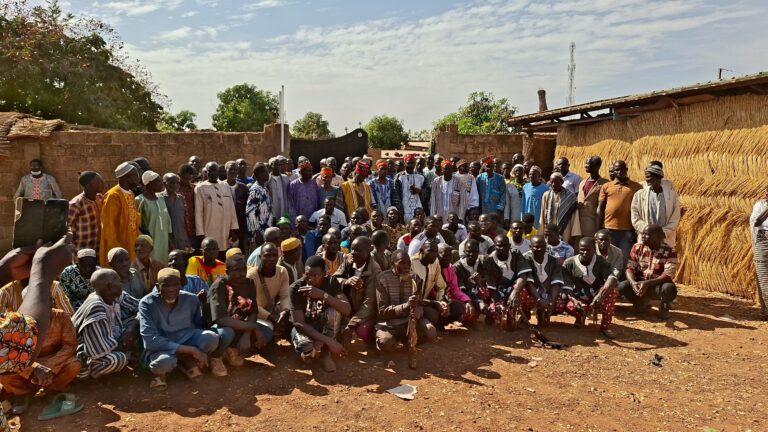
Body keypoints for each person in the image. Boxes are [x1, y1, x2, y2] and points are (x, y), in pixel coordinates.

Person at [139, 268, 222, 389]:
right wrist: (191, 350)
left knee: (211, 338)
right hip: (162, 346)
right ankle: (182, 363)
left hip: (186, 338)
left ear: (181, 285)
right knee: (164, 363)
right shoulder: (147, 303)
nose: (171, 289)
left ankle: (184, 360)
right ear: (157, 286)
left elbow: (197, 326)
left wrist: (191, 347)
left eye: (175, 285)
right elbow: (150, 341)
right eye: (166, 285)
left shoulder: (191, 299)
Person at [0, 306, 80, 412]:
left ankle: (52, 390)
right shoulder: (16, 322)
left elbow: (70, 346)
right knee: (4, 373)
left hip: (54, 361)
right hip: (26, 364)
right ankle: (22, 394)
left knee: (74, 365)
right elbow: (7, 356)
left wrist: (49, 366)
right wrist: (34, 368)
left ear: (51, 302)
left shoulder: (61, 316)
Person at [72, 269, 140, 380]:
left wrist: (133, 326)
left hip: (110, 343)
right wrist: (125, 345)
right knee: (118, 359)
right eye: (118, 281)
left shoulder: (115, 295)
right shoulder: (96, 307)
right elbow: (97, 351)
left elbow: (141, 307)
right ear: (110, 287)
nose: (121, 283)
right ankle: (93, 376)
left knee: (139, 323)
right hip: (86, 355)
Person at [207, 255, 271, 373]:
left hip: (240, 325)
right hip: (218, 329)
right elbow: (222, 320)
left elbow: (253, 312)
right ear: (227, 272)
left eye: (244, 269)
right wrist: (253, 327)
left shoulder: (249, 283)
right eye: (237, 270)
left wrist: (247, 334)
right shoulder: (219, 285)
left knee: (266, 332)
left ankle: (232, 351)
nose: (242, 273)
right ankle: (215, 358)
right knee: (227, 333)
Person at [289, 256, 351, 372]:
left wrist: (323, 295)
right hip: (306, 328)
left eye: (315, 275)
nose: (310, 279)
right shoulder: (296, 288)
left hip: (324, 326)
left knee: (335, 311)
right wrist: (329, 341)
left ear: (324, 273)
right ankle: (315, 351)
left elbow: (347, 309)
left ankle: (325, 354)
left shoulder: (331, 282)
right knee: (305, 347)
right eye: (307, 274)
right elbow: (298, 323)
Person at [375, 249, 437, 353]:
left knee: (431, 332)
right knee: (387, 343)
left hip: (409, 321)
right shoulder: (382, 279)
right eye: (402, 263)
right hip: (389, 323)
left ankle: (409, 342)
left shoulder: (415, 278)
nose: (406, 266)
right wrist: (406, 305)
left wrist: (419, 310)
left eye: (408, 263)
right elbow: (382, 312)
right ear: (392, 264)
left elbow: (420, 302)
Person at [617, 225, 678, 320]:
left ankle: (664, 306)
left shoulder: (670, 250)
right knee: (622, 286)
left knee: (668, 288)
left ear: (658, 236)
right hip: (640, 284)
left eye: (647, 234)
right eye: (643, 234)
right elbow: (630, 267)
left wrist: (648, 283)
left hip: (657, 285)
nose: (643, 236)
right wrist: (633, 283)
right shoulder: (637, 247)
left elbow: (668, 274)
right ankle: (640, 303)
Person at [562, 237, 619, 338]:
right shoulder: (569, 263)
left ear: (594, 248)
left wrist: (600, 296)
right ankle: (580, 316)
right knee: (564, 301)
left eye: (589, 249)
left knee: (612, 292)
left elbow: (612, 279)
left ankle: (605, 327)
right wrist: (575, 301)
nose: (585, 252)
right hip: (579, 296)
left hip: (596, 294)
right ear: (578, 249)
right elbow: (566, 287)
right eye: (582, 249)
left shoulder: (601, 261)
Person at [334, 237, 380, 345]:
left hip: (363, 310)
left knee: (362, 331)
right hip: (347, 305)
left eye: (358, 250)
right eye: (352, 249)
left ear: (368, 251)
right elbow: (334, 279)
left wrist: (351, 325)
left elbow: (369, 303)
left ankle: (371, 342)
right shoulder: (349, 259)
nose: (353, 253)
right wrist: (346, 281)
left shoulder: (375, 271)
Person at [598, 160, 642, 268]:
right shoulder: (606, 186)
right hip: (608, 228)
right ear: (613, 171)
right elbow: (600, 208)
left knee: (624, 257)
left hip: (627, 230)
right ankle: (608, 279)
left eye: (622, 169)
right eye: (617, 169)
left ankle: (622, 281)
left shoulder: (637, 187)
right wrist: (598, 228)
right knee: (608, 257)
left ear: (626, 170)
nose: (619, 171)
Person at [479, 235, 531, 324]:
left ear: (509, 245)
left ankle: (519, 313)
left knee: (524, 291)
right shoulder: (489, 261)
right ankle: (493, 314)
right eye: (499, 246)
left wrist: (515, 292)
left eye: (505, 245)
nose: (502, 248)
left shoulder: (516, 254)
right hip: (497, 291)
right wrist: (498, 303)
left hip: (513, 288)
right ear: (494, 246)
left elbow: (523, 275)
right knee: (494, 309)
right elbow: (492, 287)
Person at [100, 162, 141, 267]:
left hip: (131, 244)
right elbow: (107, 225)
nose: (138, 178)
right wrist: (116, 249)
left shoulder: (130, 193)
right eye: (136, 176)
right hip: (118, 248)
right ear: (127, 177)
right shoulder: (113, 196)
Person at [631, 164, 681, 249]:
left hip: (665, 238)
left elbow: (675, 218)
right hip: (646, 238)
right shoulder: (639, 195)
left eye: (649, 177)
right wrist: (648, 232)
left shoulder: (672, 196)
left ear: (658, 177)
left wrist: (663, 233)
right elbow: (635, 217)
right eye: (646, 177)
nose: (647, 179)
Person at [519, 235, 566, 326]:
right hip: (531, 293)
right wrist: (539, 300)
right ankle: (525, 314)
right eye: (536, 246)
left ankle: (543, 313)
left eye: (542, 246)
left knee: (560, 304)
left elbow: (556, 283)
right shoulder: (524, 259)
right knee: (523, 296)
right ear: (530, 247)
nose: (540, 249)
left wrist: (552, 301)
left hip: (547, 292)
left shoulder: (554, 261)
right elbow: (528, 283)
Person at [195, 162, 239, 254]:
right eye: (210, 171)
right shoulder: (200, 188)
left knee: (224, 252)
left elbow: (231, 208)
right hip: (209, 228)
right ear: (206, 172)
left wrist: (233, 228)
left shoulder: (225, 185)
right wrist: (201, 234)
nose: (212, 173)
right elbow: (198, 213)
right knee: (211, 252)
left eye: (215, 171)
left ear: (219, 172)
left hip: (225, 228)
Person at [249, 243, 291, 338]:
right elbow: (251, 305)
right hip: (255, 314)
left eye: (274, 255)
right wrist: (271, 317)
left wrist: (285, 311)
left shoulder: (282, 271)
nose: (271, 259)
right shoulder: (251, 276)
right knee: (267, 333)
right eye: (267, 256)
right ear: (260, 257)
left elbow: (285, 296)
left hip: (272, 310)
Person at [410, 239, 449, 327]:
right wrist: (434, 303)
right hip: (414, 303)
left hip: (427, 302)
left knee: (456, 307)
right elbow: (412, 296)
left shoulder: (435, 263)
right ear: (421, 251)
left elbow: (441, 286)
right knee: (433, 315)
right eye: (430, 251)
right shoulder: (411, 263)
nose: (434, 255)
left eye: (436, 251)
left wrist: (441, 302)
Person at [136, 171, 172, 263]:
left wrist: (170, 244)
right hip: (150, 244)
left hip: (164, 243)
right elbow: (138, 225)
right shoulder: (140, 200)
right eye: (159, 181)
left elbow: (167, 223)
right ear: (150, 184)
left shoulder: (161, 198)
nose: (162, 184)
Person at [69, 171, 104, 254]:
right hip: (82, 252)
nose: (102, 183)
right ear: (89, 185)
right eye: (99, 182)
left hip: (98, 249)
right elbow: (67, 225)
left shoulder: (100, 198)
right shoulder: (76, 204)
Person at [438, 244, 474, 324]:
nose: (448, 259)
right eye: (444, 255)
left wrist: (467, 301)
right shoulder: (432, 268)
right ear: (437, 255)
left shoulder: (450, 268)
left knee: (460, 306)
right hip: (433, 301)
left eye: (449, 256)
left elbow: (455, 289)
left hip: (445, 300)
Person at [453, 239, 487, 322]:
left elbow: (489, 282)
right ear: (464, 251)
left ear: (478, 251)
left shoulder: (482, 263)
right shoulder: (457, 267)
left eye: (475, 251)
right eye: (469, 251)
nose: (472, 254)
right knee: (467, 316)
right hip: (465, 297)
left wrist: (480, 281)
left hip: (479, 295)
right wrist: (479, 303)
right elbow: (460, 290)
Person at [540, 172, 581, 242]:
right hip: (549, 230)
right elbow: (543, 215)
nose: (553, 184)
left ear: (562, 182)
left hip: (565, 230)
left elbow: (575, 217)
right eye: (551, 182)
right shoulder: (546, 195)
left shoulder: (570, 196)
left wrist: (573, 235)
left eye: (556, 182)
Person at [577, 156, 608, 240]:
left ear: (597, 166)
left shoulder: (604, 184)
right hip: (579, 222)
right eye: (586, 163)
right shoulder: (582, 182)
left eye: (589, 163)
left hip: (593, 222)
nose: (586, 165)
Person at [160, 173, 190, 253]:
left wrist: (186, 239)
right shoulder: (159, 199)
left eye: (177, 183)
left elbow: (183, 221)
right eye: (172, 183)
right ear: (164, 184)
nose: (175, 185)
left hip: (180, 237)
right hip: (166, 238)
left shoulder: (180, 198)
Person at [245, 162, 273, 249]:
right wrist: (256, 232)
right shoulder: (255, 190)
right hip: (259, 233)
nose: (268, 174)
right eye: (266, 171)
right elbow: (250, 212)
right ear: (260, 174)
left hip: (266, 231)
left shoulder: (264, 188)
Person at [225, 161, 250, 252]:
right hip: (224, 228)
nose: (233, 172)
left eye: (235, 169)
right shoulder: (220, 187)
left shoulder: (243, 188)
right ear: (225, 171)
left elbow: (246, 210)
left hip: (240, 228)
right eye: (230, 169)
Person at [751, 188, 768, 319]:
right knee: (763, 277)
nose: (766, 195)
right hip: (762, 240)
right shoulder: (760, 205)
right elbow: (756, 222)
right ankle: (766, 309)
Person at [392, 155, 425, 222]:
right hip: (404, 208)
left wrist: (419, 191)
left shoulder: (421, 176)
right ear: (404, 164)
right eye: (408, 163)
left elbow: (427, 191)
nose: (410, 165)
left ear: (415, 164)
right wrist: (400, 208)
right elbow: (396, 194)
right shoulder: (398, 176)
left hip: (418, 207)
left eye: (412, 163)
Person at [521, 166, 549, 231]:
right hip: (527, 218)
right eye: (530, 174)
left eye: (533, 174)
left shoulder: (545, 188)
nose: (531, 176)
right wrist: (522, 217)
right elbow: (523, 204)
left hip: (539, 219)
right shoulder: (525, 187)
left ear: (539, 176)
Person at [178, 164, 198, 248]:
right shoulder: (174, 189)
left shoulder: (195, 189)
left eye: (190, 179)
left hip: (193, 229)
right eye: (185, 178)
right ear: (179, 175)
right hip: (180, 229)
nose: (188, 181)